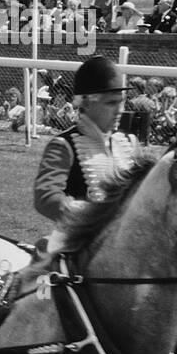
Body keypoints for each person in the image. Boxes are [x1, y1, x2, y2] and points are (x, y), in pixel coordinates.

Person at [32, 55, 139, 228]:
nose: (120, 110)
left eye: (121, 102)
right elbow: (45, 196)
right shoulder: (64, 145)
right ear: (87, 103)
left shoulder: (129, 143)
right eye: (111, 103)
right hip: (77, 241)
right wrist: (88, 213)